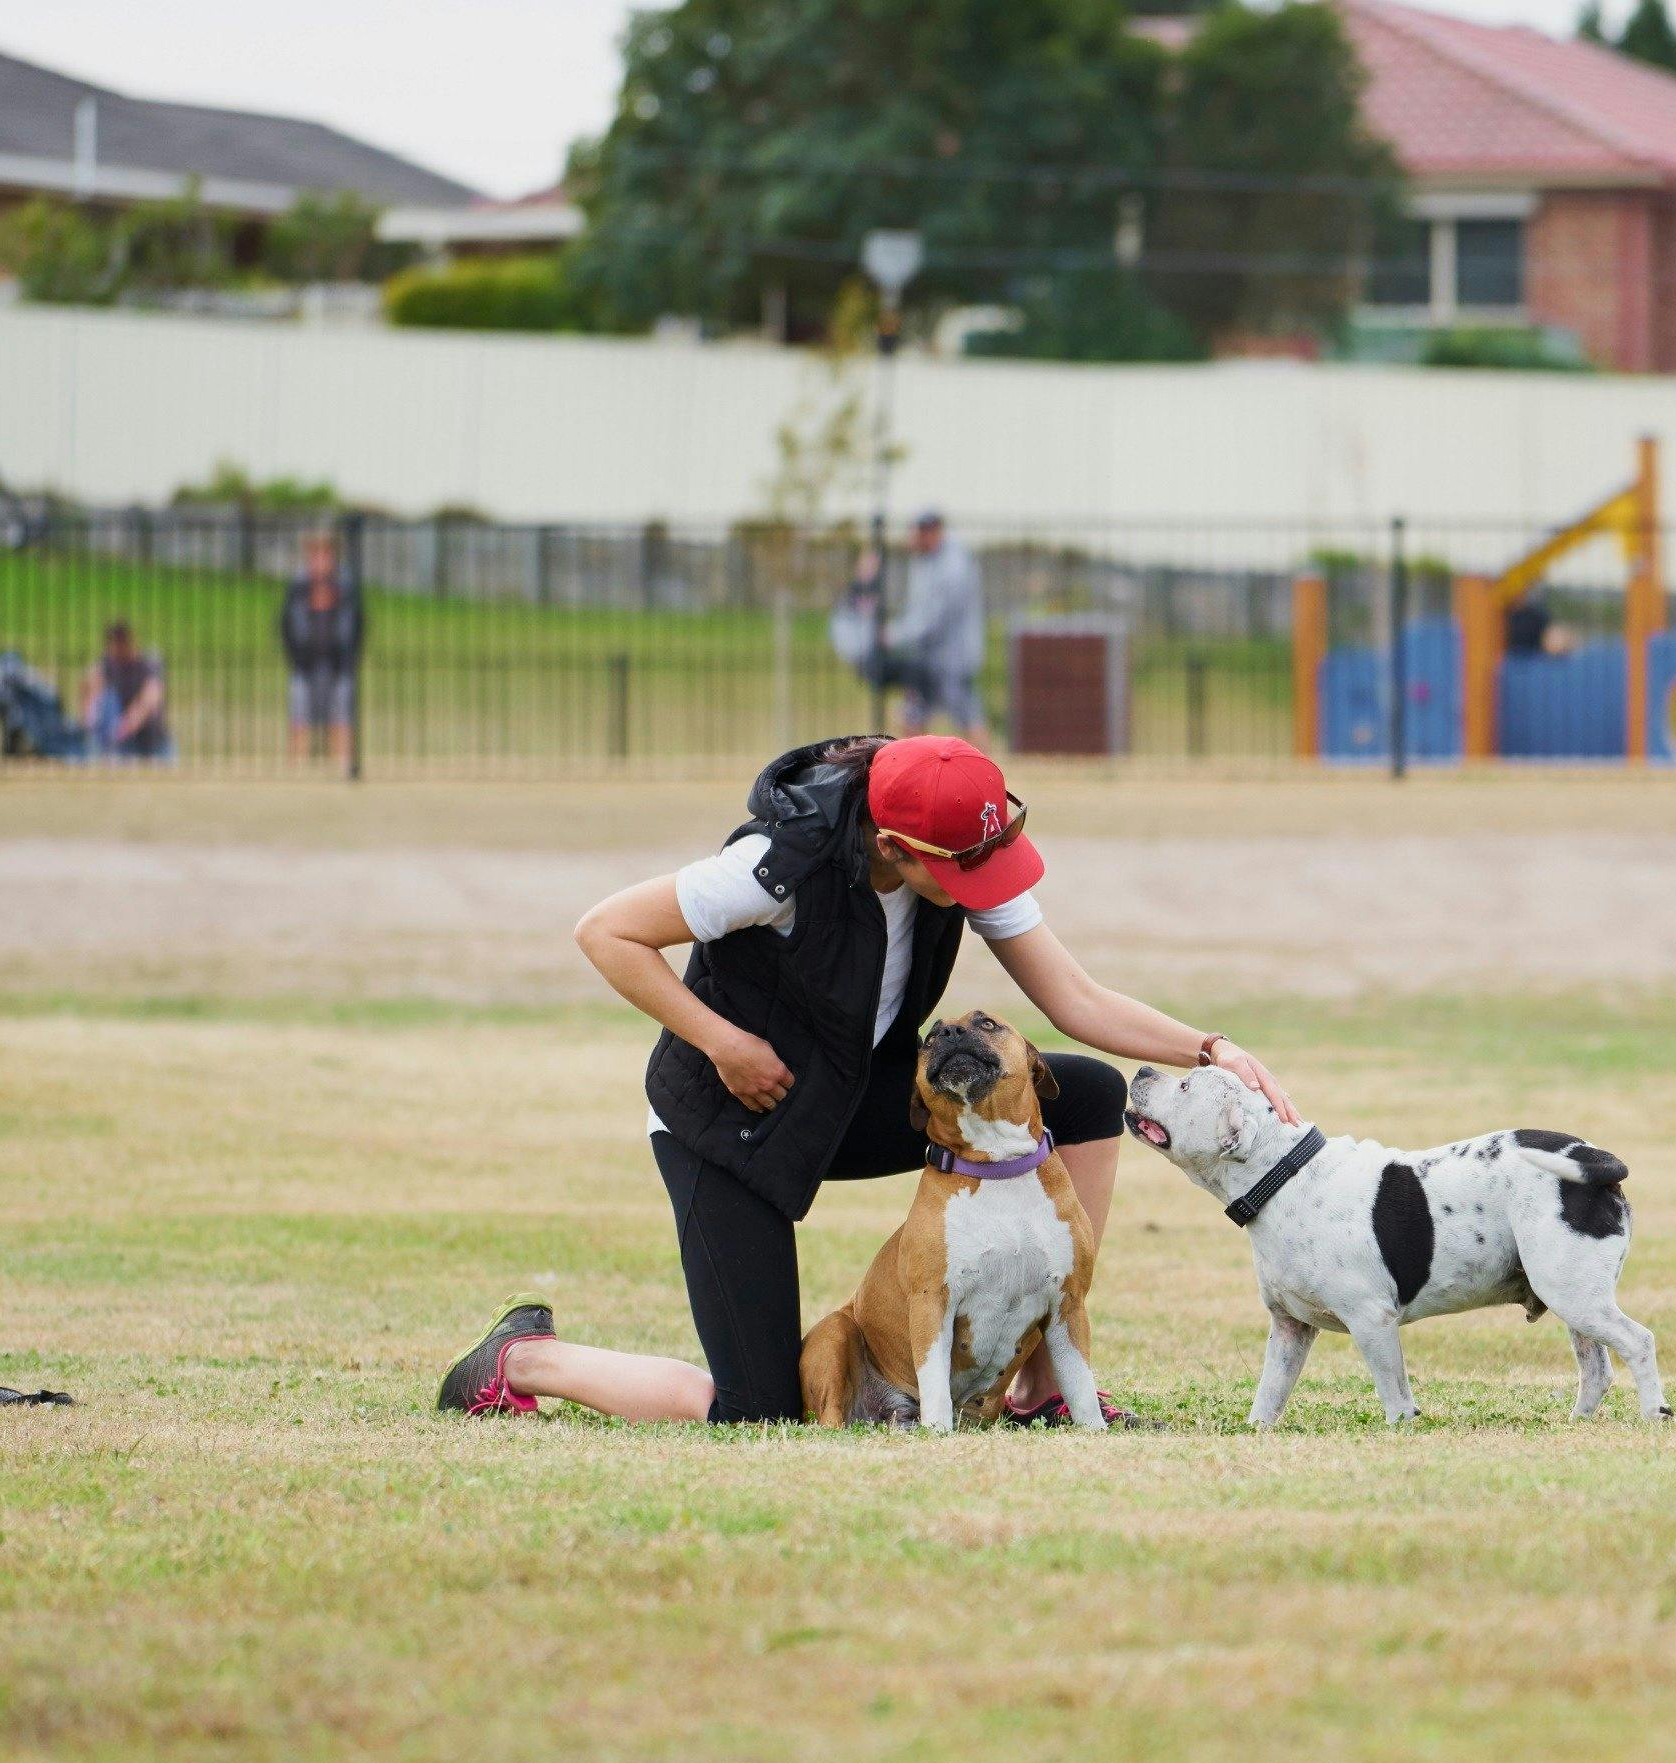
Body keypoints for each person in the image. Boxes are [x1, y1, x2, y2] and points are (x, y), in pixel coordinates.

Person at [434, 733, 1303, 1427]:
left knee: (1088, 1094)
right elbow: (605, 932)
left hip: (858, 1098)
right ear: (892, 845)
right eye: (963, 873)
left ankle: (1041, 1383)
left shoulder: (954, 839)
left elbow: (1072, 998)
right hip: (737, 1120)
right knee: (759, 1412)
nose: (981, 888)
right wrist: (723, 1042)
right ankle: (522, 1359)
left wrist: (1212, 1048)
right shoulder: (774, 865)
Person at [880, 509, 984, 736]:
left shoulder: (952, 565)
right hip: (927, 656)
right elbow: (918, 609)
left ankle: (987, 769)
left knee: (966, 715)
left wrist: (895, 635)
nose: (913, 539)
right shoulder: (925, 561)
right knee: (913, 712)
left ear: (932, 532)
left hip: (953, 658)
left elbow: (933, 618)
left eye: (918, 533)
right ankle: (916, 769)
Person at [279, 529, 364, 769]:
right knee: (299, 717)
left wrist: (349, 655)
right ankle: (296, 767)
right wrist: (295, 653)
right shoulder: (298, 586)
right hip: (304, 663)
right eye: (314, 553)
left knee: (341, 718)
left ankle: (344, 766)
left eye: (325, 553)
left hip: (340, 664)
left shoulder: (345, 586)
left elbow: (357, 624)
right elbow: (286, 624)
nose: (319, 559)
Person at [84, 621, 171, 761]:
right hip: (126, 744)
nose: (117, 649)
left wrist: (123, 728)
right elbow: (91, 684)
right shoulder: (109, 663)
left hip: (154, 741)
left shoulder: (149, 661)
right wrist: (91, 717)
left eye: (120, 643)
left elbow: (150, 699)